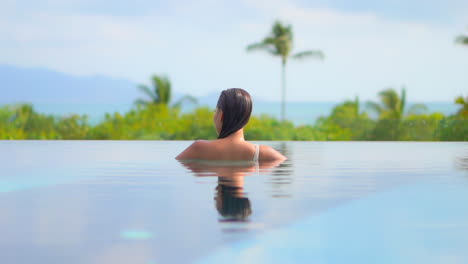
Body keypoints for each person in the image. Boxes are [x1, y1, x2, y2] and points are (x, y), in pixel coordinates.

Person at [176, 88, 287, 161]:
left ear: (222, 115)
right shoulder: (264, 153)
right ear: (247, 119)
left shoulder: (199, 148)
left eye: (216, 111)